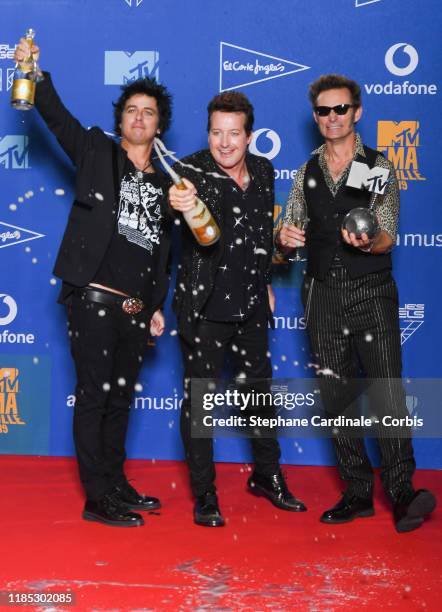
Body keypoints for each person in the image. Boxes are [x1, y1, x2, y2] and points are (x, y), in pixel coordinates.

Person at [14, 38, 173, 527]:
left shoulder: (171, 182)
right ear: (120, 119)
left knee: (121, 398)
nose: (139, 118)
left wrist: (155, 304)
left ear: (159, 123)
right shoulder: (95, 151)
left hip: (135, 308)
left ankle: (116, 483)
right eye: (131, 110)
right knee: (94, 396)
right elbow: (55, 115)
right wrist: (32, 70)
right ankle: (96, 496)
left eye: (148, 112)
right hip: (93, 299)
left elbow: (164, 252)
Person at [278, 74, 436, 533]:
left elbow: (388, 233)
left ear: (357, 112)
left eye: (340, 109)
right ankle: (357, 491)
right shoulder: (306, 172)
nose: (333, 118)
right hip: (321, 292)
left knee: (386, 388)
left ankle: (403, 491)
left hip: (371, 291)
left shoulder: (376, 166)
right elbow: (287, 234)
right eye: (324, 111)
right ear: (315, 117)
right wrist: (283, 241)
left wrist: (368, 243)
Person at [169, 91, 306, 527]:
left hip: (249, 307)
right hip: (205, 309)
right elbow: (171, 213)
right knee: (200, 405)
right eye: (216, 132)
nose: (224, 143)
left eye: (233, 134)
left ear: (249, 137)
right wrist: (180, 205)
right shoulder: (188, 172)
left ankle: (267, 476)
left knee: (259, 399)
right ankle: (205, 493)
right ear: (207, 132)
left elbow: (260, 234)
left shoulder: (264, 171)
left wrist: (265, 277)